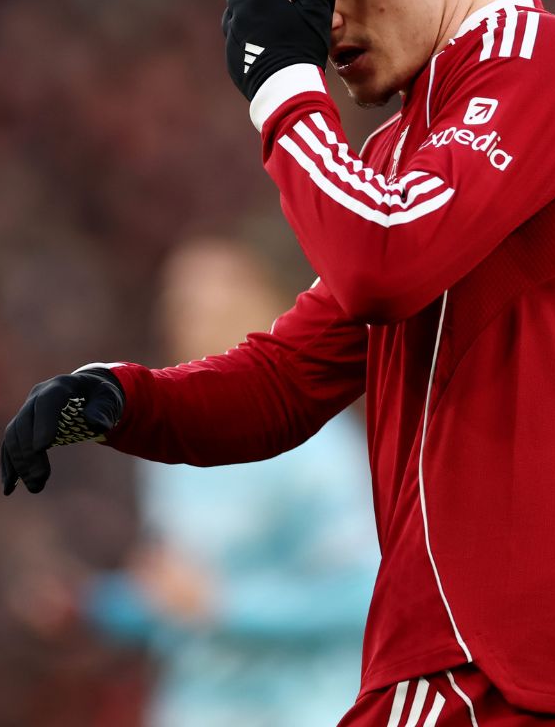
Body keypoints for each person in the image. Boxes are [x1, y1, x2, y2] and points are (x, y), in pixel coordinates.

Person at [0, 0, 555, 727]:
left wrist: (283, 93)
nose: (322, 25)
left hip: (508, 670)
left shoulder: (543, 62)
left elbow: (381, 263)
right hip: (493, 670)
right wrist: (120, 402)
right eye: (296, 3)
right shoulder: (396, 165)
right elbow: (289, 380)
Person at [83, 237, 377, 727]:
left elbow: (363, 596)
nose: (194, 320)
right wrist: (98, 608)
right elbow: (182, 604)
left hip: (302, 710)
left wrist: (225, 607)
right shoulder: (166, 443)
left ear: (265, 307)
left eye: (214, 302)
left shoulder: (314, 447)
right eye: (182, 305)